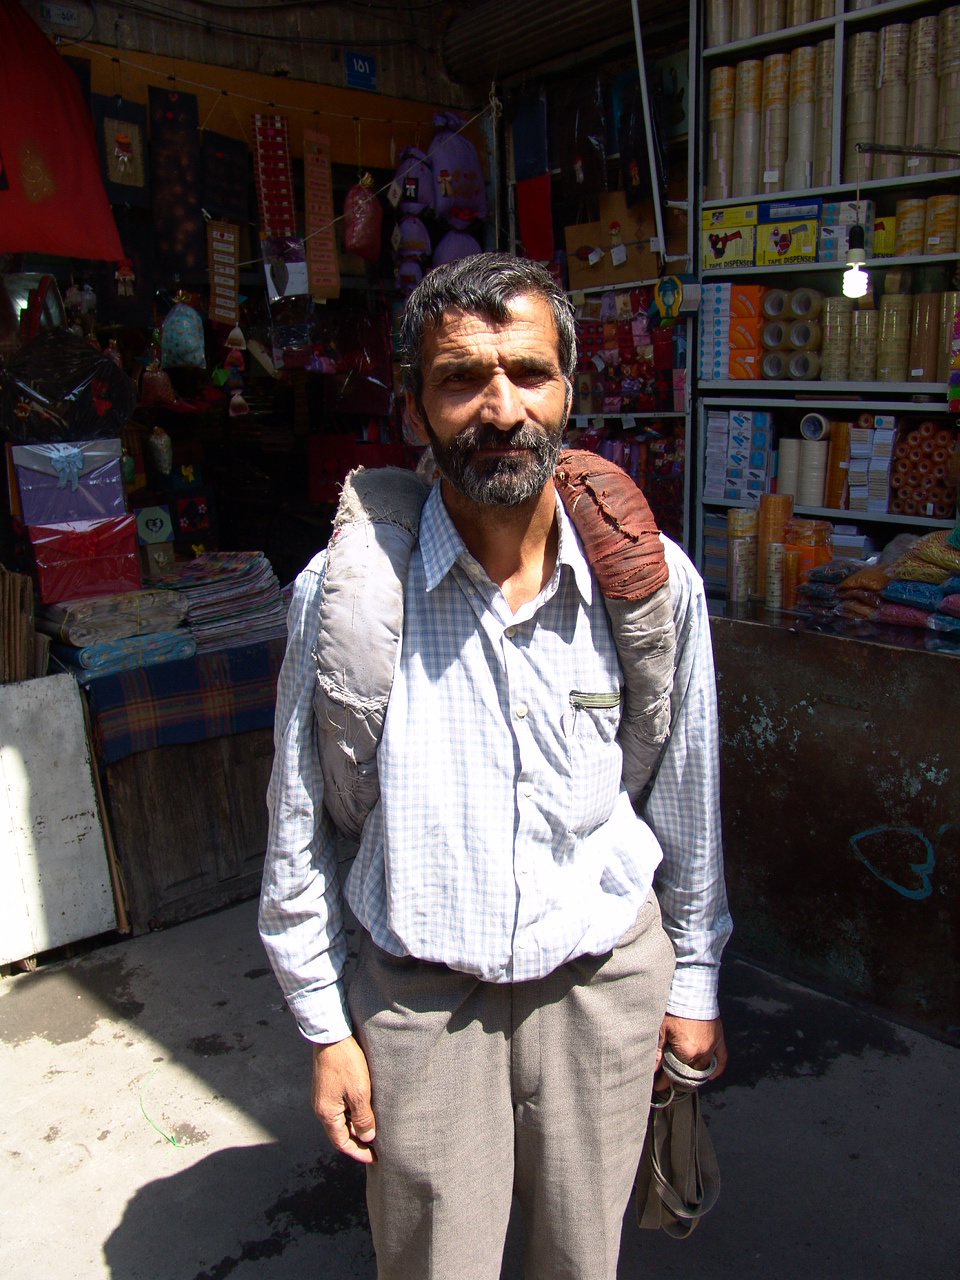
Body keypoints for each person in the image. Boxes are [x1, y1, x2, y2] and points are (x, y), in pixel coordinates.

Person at [259, 253, 732, 1280]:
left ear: (572, 392)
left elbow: (686, 799)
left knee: (581, 1254)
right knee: (437, 1263)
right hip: (423, 1004)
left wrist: (692, 976)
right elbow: (298, 828)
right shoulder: (344, 597)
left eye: (527, 371)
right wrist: (325, 1024)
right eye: (462, 377)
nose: (500, 407)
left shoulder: (651, 588)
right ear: (414, 405)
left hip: (601, 987)